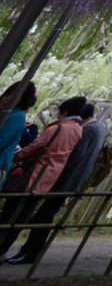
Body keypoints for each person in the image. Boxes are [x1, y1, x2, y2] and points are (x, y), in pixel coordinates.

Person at [2, 99, 102, 265]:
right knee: (25, 215)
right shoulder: (81, 129)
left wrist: (15, 154)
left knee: (15, 214)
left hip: (45, 176)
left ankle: (18, 251)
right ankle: (16, 251)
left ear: (65, 112)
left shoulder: (66, 128)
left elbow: (37, 149)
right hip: (53, 178)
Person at [0, 83, 32, 180]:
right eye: (8, 94)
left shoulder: (16, 116)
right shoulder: (6, 113)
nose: (8, 98)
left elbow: (1, 141)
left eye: (14, 96)